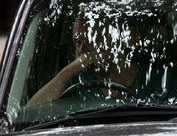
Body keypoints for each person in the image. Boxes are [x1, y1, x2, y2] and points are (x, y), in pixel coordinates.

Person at [27, 15, 162, 105]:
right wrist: (67, 72)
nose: (82, 51)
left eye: (92, 40)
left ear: (114, 41)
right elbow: (29, 114)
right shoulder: (75, 83)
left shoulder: (154, 80)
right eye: (78, 42)